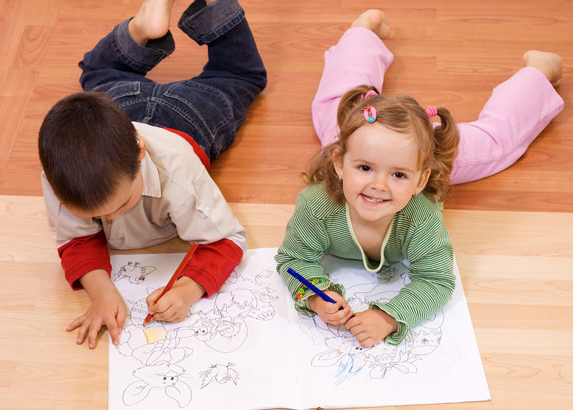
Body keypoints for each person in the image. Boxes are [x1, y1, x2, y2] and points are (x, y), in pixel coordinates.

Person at [275, 9, 564, 348]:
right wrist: (314, 294)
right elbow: (293, 259)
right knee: (335, 101)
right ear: (339, 163)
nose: (378, 185)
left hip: (427, 145)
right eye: (364, 168)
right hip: (355, 133)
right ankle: (362, 32)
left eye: (398, 175)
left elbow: (437, 280)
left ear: (421, 179)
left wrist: (389, 315)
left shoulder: (422, 215)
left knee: (495, 145)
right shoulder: (316, 202)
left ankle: (537, 74)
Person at [38, 0, 267, 349]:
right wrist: (100, 293)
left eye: (122, 203)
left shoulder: (177, 171)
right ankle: (143, 29)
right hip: (118, 103)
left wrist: (189, 290)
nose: (110, 220)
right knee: (98, 75)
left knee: (241, 77)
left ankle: (211, 9)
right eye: (96, 216)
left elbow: (228, 240)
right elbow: (76, 240)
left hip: (191, 113)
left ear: (141, 152)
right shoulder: (62, 176)